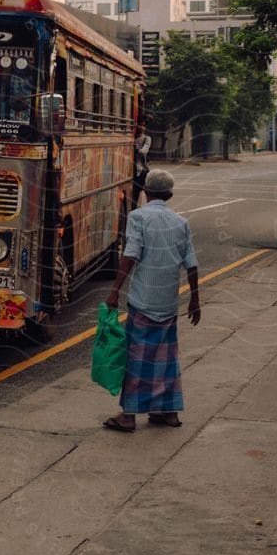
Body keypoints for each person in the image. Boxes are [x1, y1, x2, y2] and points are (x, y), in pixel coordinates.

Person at [102, 170, 201, 431]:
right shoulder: (181, 223)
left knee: (137, 358)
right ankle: (168, 412)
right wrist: (195, 300)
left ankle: (129, 416)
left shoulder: (137, 217)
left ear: (145, 192)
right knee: (166, 359)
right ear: (169, 194)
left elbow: (130, 255)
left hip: (143, 301)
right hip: (168, 303)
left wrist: (114, 291)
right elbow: (191, 264)